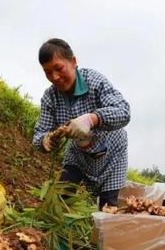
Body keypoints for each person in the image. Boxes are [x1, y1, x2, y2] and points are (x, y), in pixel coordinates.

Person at [32, 38, 130, 210]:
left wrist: (92, 119)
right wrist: (45, 140)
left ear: (73, 62)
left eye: (59, 68)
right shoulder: (50, 98)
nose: (55, 77)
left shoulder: (95, 82)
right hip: (79, 155)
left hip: (112, 154)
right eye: (47, 72)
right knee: (59, 201)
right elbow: (39, 134)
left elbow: (124, 111)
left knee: (107, 210)